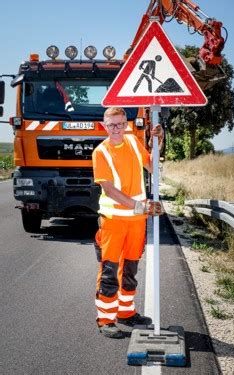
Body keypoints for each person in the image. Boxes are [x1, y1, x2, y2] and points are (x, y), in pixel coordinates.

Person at [92, 107, 164, 339]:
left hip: (136, 222)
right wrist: (140, 206)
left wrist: (158, 142)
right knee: (110, 271)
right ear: (104, 125)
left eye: (121, 124)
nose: (117, 129)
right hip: (113, 221)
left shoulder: (133, 142)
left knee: (130, 269)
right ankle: (105, 319)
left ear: (127, 124)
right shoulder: (100, 152)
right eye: (112, 125)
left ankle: (126, 312)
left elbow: (152, 167)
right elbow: (110, 191)